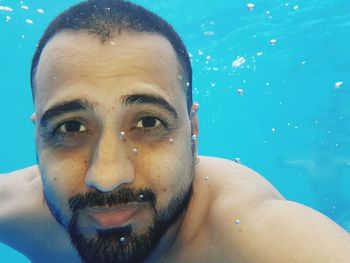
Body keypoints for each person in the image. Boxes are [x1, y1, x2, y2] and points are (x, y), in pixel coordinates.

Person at [1, 0, 350, 262]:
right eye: (71, 127)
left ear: (193, 132)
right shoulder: (18, 213)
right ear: (37, 139)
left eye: (148, 123)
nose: (107, 177)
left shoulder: (251, 237)